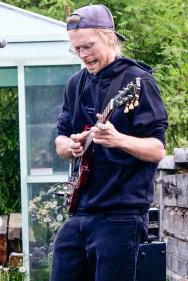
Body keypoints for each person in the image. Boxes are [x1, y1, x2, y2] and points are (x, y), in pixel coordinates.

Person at [51, 4, 168, 281]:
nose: (83, 54)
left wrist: (118, 139)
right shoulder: (75, 84)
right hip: (80, 212)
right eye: (76, 49)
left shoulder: (137, 82)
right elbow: (60, 139)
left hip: (120, 215)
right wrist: (72, 146)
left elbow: (157, 150)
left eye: (88, 46)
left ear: (109, 37)